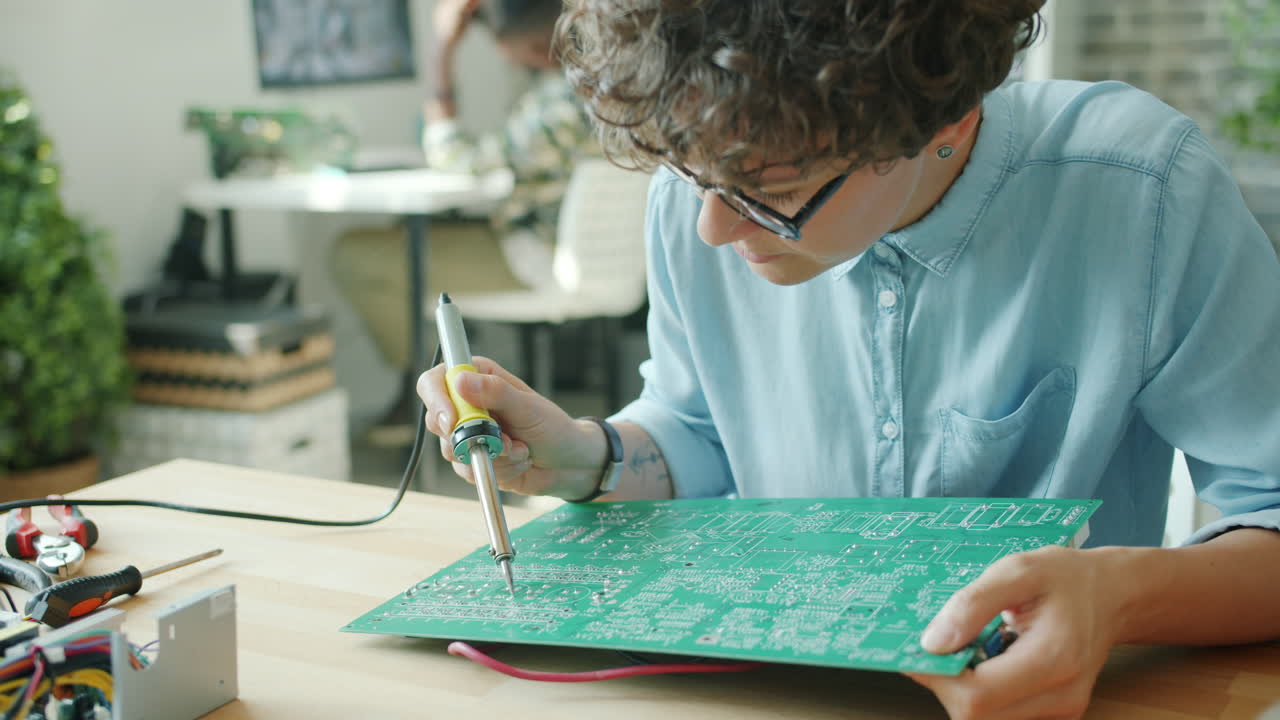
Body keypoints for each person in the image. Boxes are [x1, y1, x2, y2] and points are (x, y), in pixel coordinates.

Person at [418, 1, 1280, 716]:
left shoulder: (1140, 190)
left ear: (948, 118)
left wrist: (1117, 599)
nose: (715, 229)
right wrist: (586, 453)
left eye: (774, 192)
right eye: (693, 178)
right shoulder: (703, 193)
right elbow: (698, 431)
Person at [332, 0, 596, 444]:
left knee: (356, 253)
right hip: (562, 247)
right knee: (403, 238)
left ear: (532, 46)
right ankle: (434, 377)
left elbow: (456, 159)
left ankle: (418, 398)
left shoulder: (560, 104)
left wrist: (441, 51)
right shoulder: (604, 87)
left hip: (539, 256)